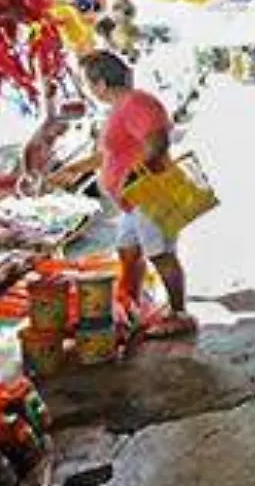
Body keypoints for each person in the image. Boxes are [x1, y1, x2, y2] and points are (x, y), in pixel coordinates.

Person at [82, 51, 195, 336]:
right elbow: (108, 153)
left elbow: (157, 142)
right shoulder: (122, 106)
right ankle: (133, 306)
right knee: (128, 251)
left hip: (149, 193)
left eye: (89, 83)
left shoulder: (135, 103)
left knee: (161, 254)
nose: (89, 90)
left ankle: (180, 314)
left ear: (100, 83)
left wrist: (132, 176)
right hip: (133, 201)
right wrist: (69, 171)